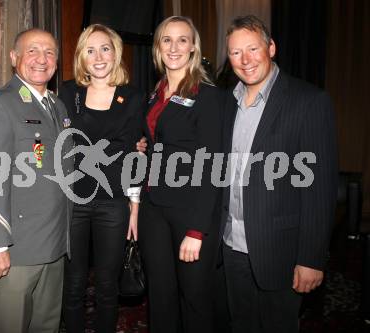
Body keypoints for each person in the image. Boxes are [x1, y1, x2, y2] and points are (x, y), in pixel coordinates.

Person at [219, 15, 338, 332]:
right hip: (231, 247)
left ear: (271, 47)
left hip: (280, 251)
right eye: (235, 52)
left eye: (253, 48)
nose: (245, 60)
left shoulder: (309, 101)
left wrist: (311, 258)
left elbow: (319, 189)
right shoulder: (225, 103)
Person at [0, 28, 74, 333]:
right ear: (14, 58)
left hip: (54, 242)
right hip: (19, 247)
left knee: (46, 325)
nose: (42, 59)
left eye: (50, 52)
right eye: (32, 51)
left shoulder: (57, 106)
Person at [138, 16, 223, 333]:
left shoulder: (210, 96)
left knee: (195, 299)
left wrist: (197, 230)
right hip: (154, 207)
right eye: (166, 40)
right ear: (158, 47)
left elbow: (214, 165)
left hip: (191, 212)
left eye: (182, 40)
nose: (174, 47)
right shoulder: (155, 92)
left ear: (193, 48)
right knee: (160, 297)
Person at [58, 24, 145, 333]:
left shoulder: (133, 97)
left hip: (114, 202)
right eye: (90, 50)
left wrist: (135, 205)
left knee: (108, 285)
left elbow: (137, 154)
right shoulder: (67, 93)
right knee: (74, 283)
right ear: (82, 56)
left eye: (105, 48)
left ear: (116, 54)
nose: (98, 56)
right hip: (72, 201)